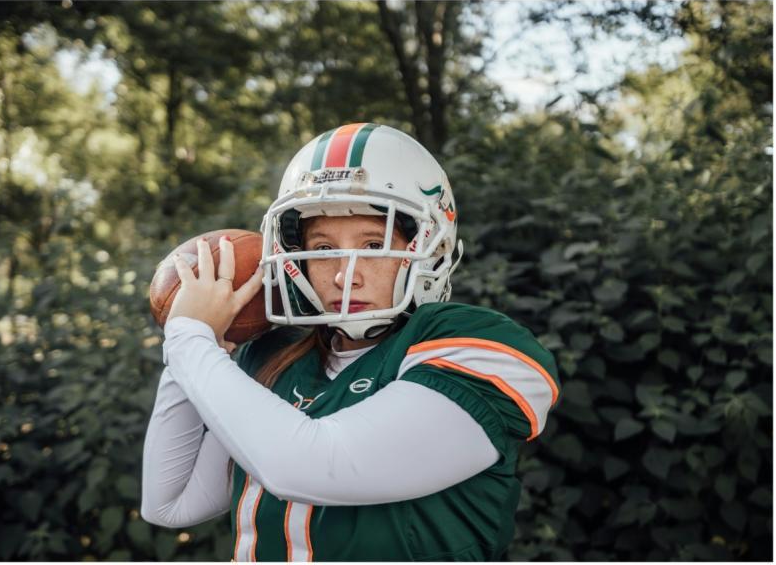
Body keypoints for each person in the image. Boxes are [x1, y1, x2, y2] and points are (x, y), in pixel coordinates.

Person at [141, 123, 560, 561]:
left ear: (430, 246)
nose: (345, 274)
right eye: (323, 249)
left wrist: (189, 340)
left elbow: (316, 464)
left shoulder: (473, 344)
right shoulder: (275, 357)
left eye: (375, 243)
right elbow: (170, 503)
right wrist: (202, 341)